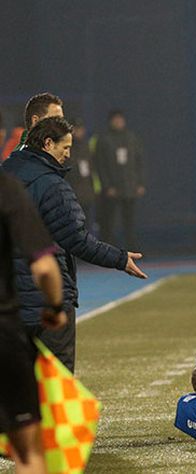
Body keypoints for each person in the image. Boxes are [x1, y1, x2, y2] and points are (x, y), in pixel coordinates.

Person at [2, 117, 147, 373]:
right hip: (45, 306)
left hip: (9, 307)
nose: (68, 154)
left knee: (17, 393)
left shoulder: (6, 177)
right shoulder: (52, 185)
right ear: (48, 143)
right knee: (56, 388)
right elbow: (76, 239)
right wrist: (119, 258)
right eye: (65, 147)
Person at [0, 173, 66, 474]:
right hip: (3, 333)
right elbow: (44, 266)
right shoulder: (7, 187)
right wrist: (54, 307)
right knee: (27, 452)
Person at [94, 110, 146, 249]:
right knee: (109, 221)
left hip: (129, 187)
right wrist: (107, 186)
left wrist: (140, 183)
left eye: (120, 119)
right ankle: (108, 249)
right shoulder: (104, 140)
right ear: (110, 121)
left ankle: (132, 248)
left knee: (129, 221)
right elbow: (100, 165)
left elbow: (139, 161)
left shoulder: (131, 138)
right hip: (112, 189)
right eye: (115, 119)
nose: (118, 122)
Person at [65, 119, 98, 229]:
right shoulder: (66, 148)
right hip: (72, 193)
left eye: (81, 129)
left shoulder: (86, 147)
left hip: (87, 192)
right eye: (76, 129)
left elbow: (91, 169)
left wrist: (93, 190)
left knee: (87, 224)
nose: (79, 132)